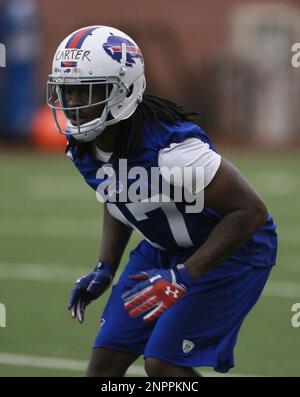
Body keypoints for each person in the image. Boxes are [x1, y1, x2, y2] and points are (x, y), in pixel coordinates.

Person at [47, 25, 277, 377]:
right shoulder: (82, 147)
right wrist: (105, 266)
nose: (74, 106)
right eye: (68, 93)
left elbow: (251, 211)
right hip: (164, 248)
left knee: (164, 364)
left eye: (86, 92)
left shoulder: (172, 151)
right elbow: (117, 196)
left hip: (231, 252)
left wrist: (183, 276)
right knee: (104, 365)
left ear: (124, 90)